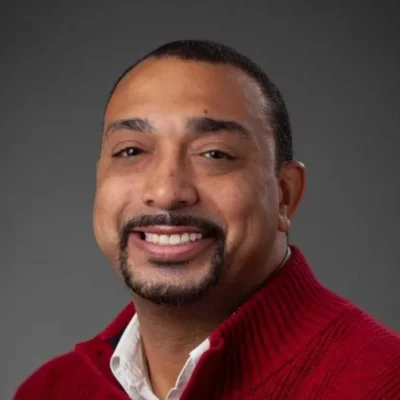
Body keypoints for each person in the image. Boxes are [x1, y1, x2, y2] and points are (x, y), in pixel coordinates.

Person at [14, 39, 400, 400]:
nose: (166, 191)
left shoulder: (384, 382)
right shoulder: (51, 390)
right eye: (131, 151)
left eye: (214, 154)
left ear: (285, 194)